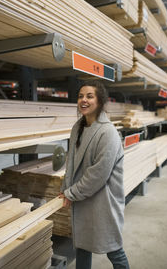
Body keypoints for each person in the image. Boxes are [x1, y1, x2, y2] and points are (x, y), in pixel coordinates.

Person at [59, 80, 129, 269]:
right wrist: (65, 187)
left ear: (100, 101)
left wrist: (72, 193)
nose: (84, 100)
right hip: (83, 199)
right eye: (81, 96)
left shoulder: (108, 133)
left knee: (114, 249)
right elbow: (71, 162)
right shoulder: (78, 128)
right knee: (82, 245)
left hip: (103, 202)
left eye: (89, 96)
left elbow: (98, 174)